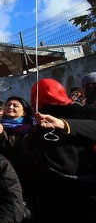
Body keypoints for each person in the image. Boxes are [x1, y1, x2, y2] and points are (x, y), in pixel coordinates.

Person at [28, 78, 96, 222]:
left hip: (83, 184)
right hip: (51, 190)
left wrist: (62, 124)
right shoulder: (34, 121)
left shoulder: (77, 111)